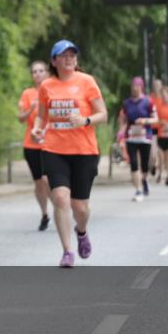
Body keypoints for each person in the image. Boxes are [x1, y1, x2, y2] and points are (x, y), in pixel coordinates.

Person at [31, 40, 108, 268]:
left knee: (80, 207)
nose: (69, 59)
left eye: (72, 55)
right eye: (63, 55)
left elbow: (102, 114)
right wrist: (37, 128)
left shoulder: (87, 82)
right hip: (55, 149)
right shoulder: (47, 86)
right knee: (61, 198)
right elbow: (41, 116)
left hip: (84, 150)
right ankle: (67, 251)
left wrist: (85, 120)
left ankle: (81, 232)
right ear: (54, 61)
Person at [18, 61, 51, 229]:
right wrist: (30, 109)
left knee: (48, 180)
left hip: (50, 143)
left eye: (40, 71)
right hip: (31, 144)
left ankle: (60, 207)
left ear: (47, 72)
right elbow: (20, 118)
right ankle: (44, 213)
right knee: (39, 182)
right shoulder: (27, 93)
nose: (37, 74)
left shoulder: (54, 90)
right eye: (34, 71)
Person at [118, 76, 156, 202]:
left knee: (145, 165)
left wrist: (145, 120)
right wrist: (121, 133)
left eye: (137, 86)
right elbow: (123, 120)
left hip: (145, 136)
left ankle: (143, 179)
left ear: (141, 87)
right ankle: (138, 189)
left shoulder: (148, 102)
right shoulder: (126, 103)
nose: (135, 88)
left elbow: (156, 118)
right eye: (133, 86)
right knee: (134, 163)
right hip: (131, 137)